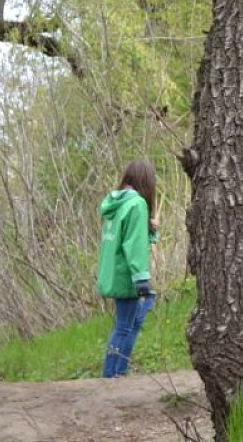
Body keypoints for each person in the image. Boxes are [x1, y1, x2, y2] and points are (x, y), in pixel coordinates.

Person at [97, 159, 158, 378]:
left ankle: (116, 372)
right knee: (125, 326)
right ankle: (114, 374)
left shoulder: (116, 204)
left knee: (130, 323)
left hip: (113, 273)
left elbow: (127, 238)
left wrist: (150, 230)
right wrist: (141, 278)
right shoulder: (137, 204)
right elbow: (134, 245)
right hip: (128, 275)